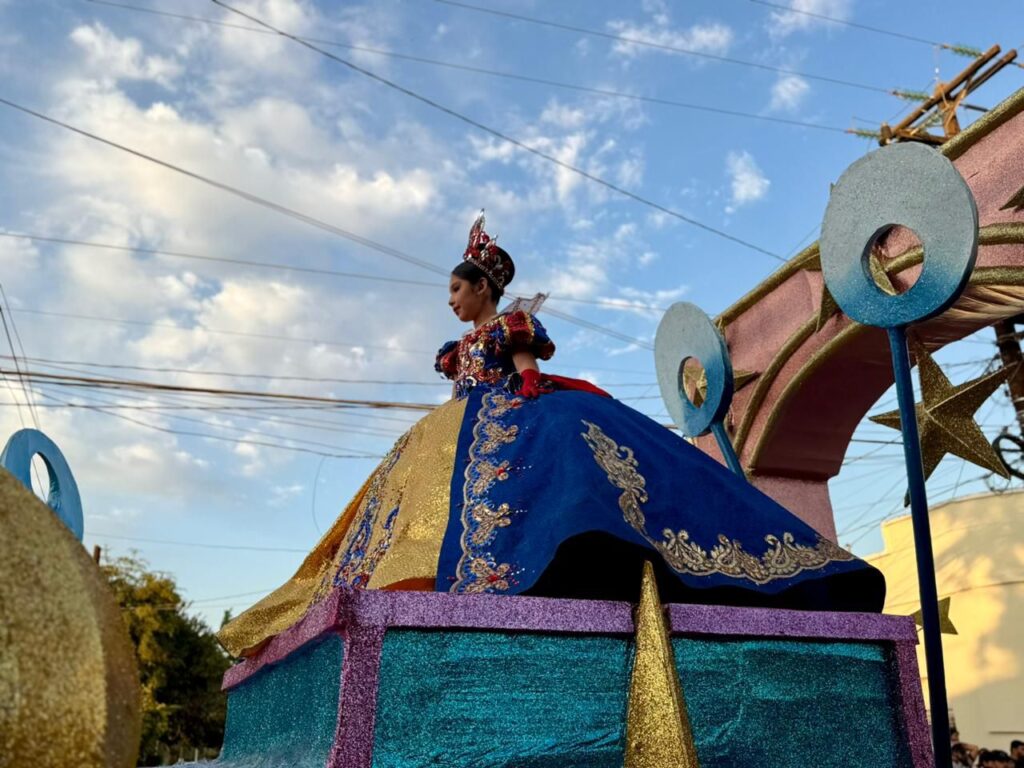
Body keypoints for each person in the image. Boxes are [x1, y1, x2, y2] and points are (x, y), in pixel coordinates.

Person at [218, 212, 886, 657]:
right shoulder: (455, 351)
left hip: (509, 410)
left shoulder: (510, 330)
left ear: (482, 288)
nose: (450, 300)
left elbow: (526, 371)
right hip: (454, 431)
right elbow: (460, 390)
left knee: (556, 458)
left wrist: (532, 388)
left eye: (456, 288)